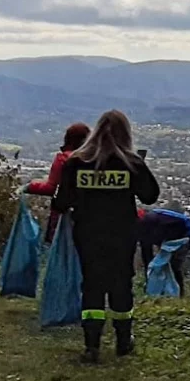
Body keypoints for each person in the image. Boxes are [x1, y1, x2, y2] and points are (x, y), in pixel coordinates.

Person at [55, 110, 160, 363]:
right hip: (122, 234)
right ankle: (124, 341)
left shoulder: (76, 163)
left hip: (88, 233)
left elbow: (61, 202)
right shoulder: (131, 163)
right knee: (121, 284)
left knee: (92, 285)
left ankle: (92, 346)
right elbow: (150, 196)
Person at [21, 122, 91, 244]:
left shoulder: (63, 159)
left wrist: (29, 187)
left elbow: (51, 188)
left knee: (57, 249)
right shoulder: (94, 160)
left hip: (62, 214)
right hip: (87, 217)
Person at [138, 208, 190, 297]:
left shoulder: (154, 219)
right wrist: (148, 277)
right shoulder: (141, 230)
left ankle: (179, 294)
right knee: (157, 266)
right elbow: (147, 255)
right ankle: (159, 291)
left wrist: (169, 245)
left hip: (186, 233)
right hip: (167, 238)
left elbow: (183, 225)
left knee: (174, 264)